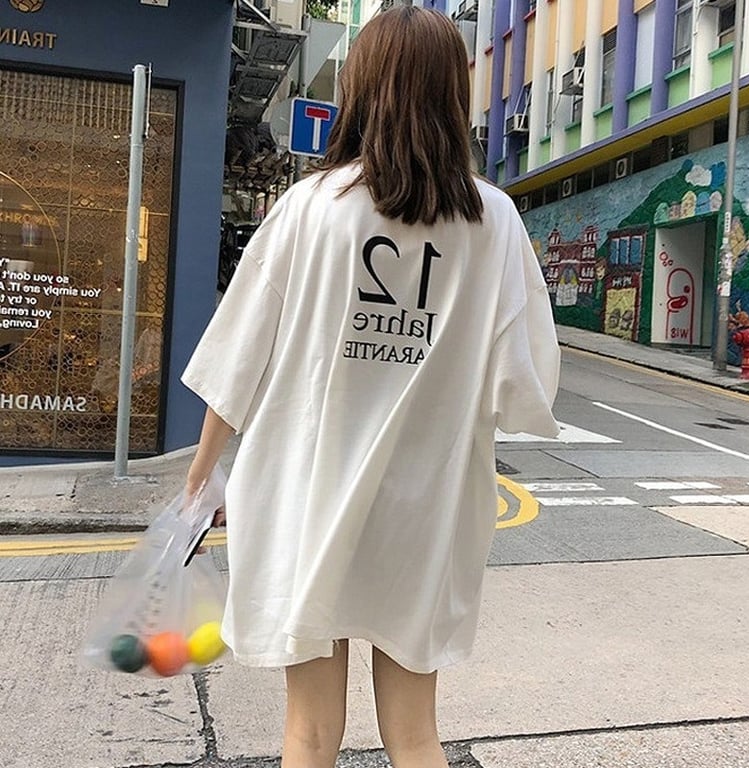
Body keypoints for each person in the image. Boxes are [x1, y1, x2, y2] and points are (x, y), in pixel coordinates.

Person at [182, 7, 560, 768]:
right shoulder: (495, 220)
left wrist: (200, 478)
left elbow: (236, 361)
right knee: (415, 733)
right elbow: (523, 387)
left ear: (361, 87)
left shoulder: (308, 208)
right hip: (427, 506)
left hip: (305, 493)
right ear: (452, 92)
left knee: (309, 732)